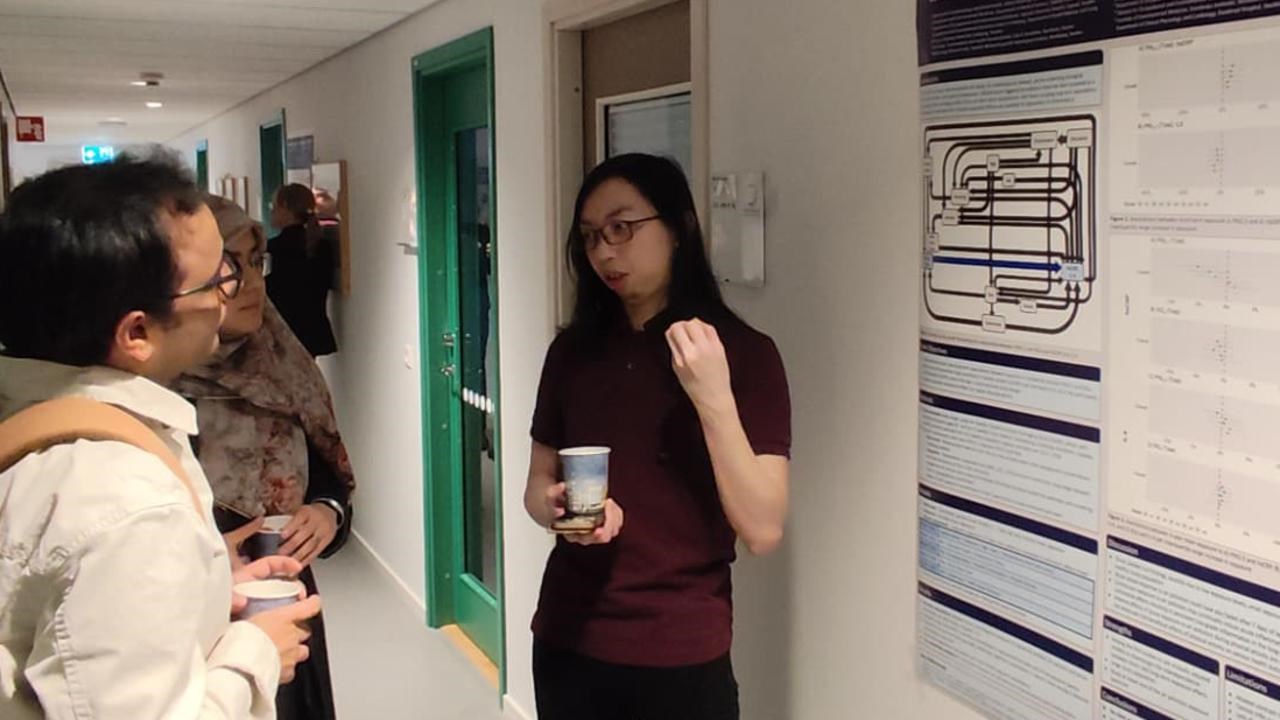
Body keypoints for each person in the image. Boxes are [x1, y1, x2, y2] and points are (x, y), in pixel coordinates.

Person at [0, 153, 321, 719]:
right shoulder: (126, 501)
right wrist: (253, 654)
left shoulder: (45, 425)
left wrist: (200, 587)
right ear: (138, 332)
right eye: (218, 278)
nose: (233, 293)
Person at [524, 153, 792, 720]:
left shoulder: (744, 354)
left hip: (680, 652)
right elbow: (536, 487)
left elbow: (763, 529)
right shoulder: (571, 353)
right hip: (568, 640)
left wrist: (712, 396)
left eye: (622, 228)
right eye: (592, 236)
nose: (604, 251)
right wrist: (555, 508)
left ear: (679, 228)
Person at [174, 195, 355, 720]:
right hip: (196, 610)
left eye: (257, 262)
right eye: (230, 267)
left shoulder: (281, 364)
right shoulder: (155, 385)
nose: (253, 282)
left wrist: (326, 512)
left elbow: (330, 476)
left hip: (282, 594)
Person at [266, 184, 337, 357]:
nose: (272, 213)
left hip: (287, 332)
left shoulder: (280, 247)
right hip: (312, 331)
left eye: (274, 207)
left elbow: (280, 288)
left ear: (285, 208)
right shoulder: (320, 245)